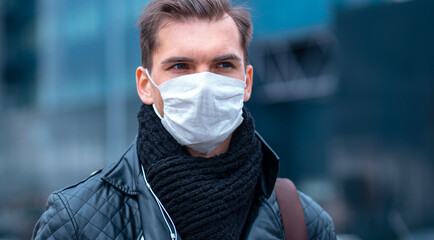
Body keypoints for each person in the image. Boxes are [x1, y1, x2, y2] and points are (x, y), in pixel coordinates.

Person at [32, 0, 336, 239]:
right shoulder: (76, 222)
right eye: (180, 66)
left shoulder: (302, 222)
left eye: (223, 64)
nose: (203, 83)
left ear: (246, 82)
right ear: (145, 85)